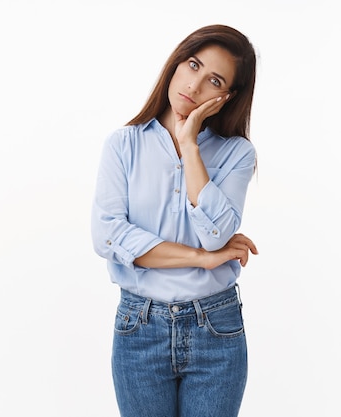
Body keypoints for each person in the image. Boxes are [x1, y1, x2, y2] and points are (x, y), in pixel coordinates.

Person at [91, 24, 259, 417]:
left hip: (215, 327)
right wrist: (199, 259)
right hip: (139, 326)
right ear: (176, 63)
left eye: (213, 80)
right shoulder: (124, 144)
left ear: (226, 97)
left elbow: (217, 235)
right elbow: (108, 238)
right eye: (192, 65)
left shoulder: (237, 153)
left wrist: (189, 145)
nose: (195, 85)